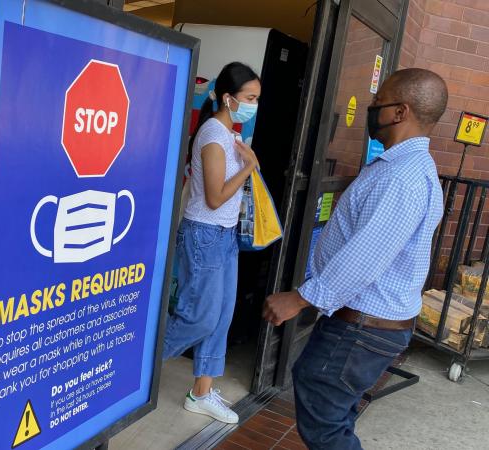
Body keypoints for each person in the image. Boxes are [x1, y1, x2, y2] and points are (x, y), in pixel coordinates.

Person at [262, 68, 448, 449]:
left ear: (401, 112)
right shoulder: (408, 169)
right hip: (370, 324)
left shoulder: (401, 178)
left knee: (325, 421)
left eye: (377, 102)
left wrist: (298, 299)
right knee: (333, 411)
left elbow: (363, 260)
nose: (371, 108)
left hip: (363, 327)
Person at [162, 62, 261, 424]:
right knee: (198, 318)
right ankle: (135, 366)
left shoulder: (229, 134)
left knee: (220, 317)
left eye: (256, 99)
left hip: (224, 235)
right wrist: (249, 167)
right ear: (227, 98)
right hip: (205, 233)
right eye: (250, 98)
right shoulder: (213, 135)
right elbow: (215, 197)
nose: (254, 105)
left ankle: (200, 394)